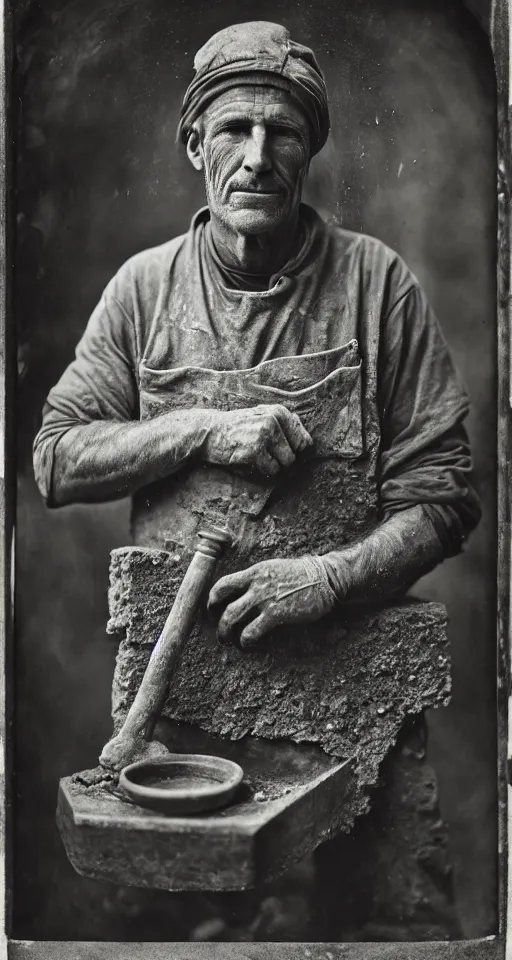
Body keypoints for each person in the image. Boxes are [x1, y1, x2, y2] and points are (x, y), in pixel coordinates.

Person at [33, 21, 480, 940]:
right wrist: (200, 429)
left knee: (392, 933)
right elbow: (55, 457)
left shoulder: (377, 286)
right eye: (233, 129)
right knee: (184, 939)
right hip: (179, 716)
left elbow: (443, 496)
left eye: (283, 133)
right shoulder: (143, 291)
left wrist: (324, 581)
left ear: (311, 148)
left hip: (355, 702)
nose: (257, 156)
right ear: (195, 144)